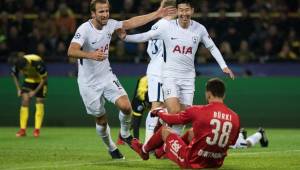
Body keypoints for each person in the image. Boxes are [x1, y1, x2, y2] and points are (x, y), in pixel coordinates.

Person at [67, 0, 174, 159]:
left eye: (106, 11)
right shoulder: (84, 29)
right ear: (93, 14)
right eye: (101, 12)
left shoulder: (110, 24)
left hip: (107, 76)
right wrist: (91, 55)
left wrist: (157, 14)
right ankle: (111, 147)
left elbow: (131, 23)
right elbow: (71, 51)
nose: (105, 15)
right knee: (101, 120)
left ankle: (124, 134)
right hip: (88, 83)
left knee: (126, 107)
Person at [124, 0, 235, 136]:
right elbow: (146, 36)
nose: (184, 13)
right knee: (174, 111)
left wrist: (224, 66)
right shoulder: (166, 26)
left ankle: (167, 146)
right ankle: (152, 139)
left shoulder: (199, 29)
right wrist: (126, 38)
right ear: (177, 11)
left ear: (192, 11)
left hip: (188, 78)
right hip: (170, 76)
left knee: (183, 117)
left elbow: (211, 46)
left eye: (187, 10)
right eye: (181, 10)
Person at [130, 78, 240, 169]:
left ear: (208, 94)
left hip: (191, 161)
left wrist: (159, 112)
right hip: (216, 163)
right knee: (192, 132)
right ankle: (162, 150)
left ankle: (144, 151)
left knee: (164, 131)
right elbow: (232, 142)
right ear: (223, 95)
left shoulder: (199, 110)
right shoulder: (235, 117)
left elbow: (171, 120)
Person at [9, 53, 47, 138]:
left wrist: (35, 92)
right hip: (29, 80)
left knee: (39, 101)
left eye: (25, 68)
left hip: (40, 81)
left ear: (28, 64)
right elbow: (14, 75)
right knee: (25, 101)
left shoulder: (37, 62)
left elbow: (44, 78)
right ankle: (22, 130)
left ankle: (37, 130)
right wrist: (18, 89)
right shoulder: (18, 63)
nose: (24, 70)